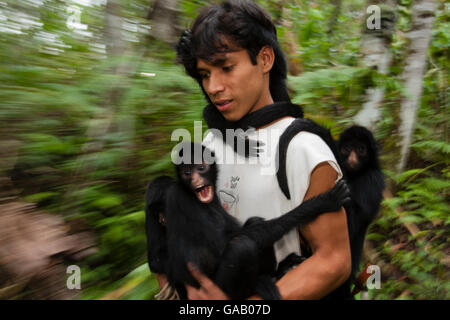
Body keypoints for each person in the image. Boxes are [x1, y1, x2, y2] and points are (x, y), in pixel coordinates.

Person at [158, 0, 351, 300]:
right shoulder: (208, 145)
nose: (213, 86)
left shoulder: (303, 148)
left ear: (264, 60)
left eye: (226, 68)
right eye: (205, 74)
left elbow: (334, 260)